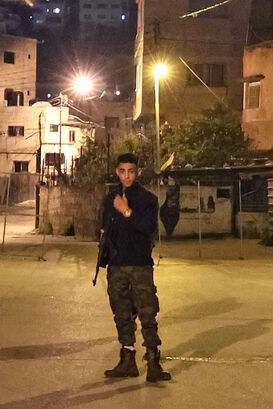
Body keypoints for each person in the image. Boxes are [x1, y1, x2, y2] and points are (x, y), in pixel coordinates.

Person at [101, 153, 171, 383]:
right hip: (117, 264)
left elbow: (148, 227)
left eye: (131, 171)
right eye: (122, 171)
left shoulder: (148, 200)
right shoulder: (110, 198)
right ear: (117, 172)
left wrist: (127, 212)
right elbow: (105, 229)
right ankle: (127, 360)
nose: (127, 175)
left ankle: (153, 361)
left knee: (147, 312)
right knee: (121, 313)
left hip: (140, 263)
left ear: (138, 172)